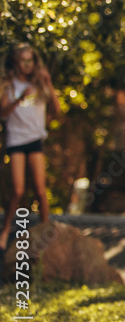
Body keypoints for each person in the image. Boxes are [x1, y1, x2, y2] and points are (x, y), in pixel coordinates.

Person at [0, 44, 62, 250]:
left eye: (30, 60)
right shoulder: (9, 85)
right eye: (23, 60)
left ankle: (45, 233)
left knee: (40, 190)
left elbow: (57, 110)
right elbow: (3, 113)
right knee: (17, 190)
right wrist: (19, 99)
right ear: (16, 63)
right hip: (17, 140)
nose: (27, 64)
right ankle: (6, 229)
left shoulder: (40, 84)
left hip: (35, 139)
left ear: (35, 63)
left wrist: (49, 83)